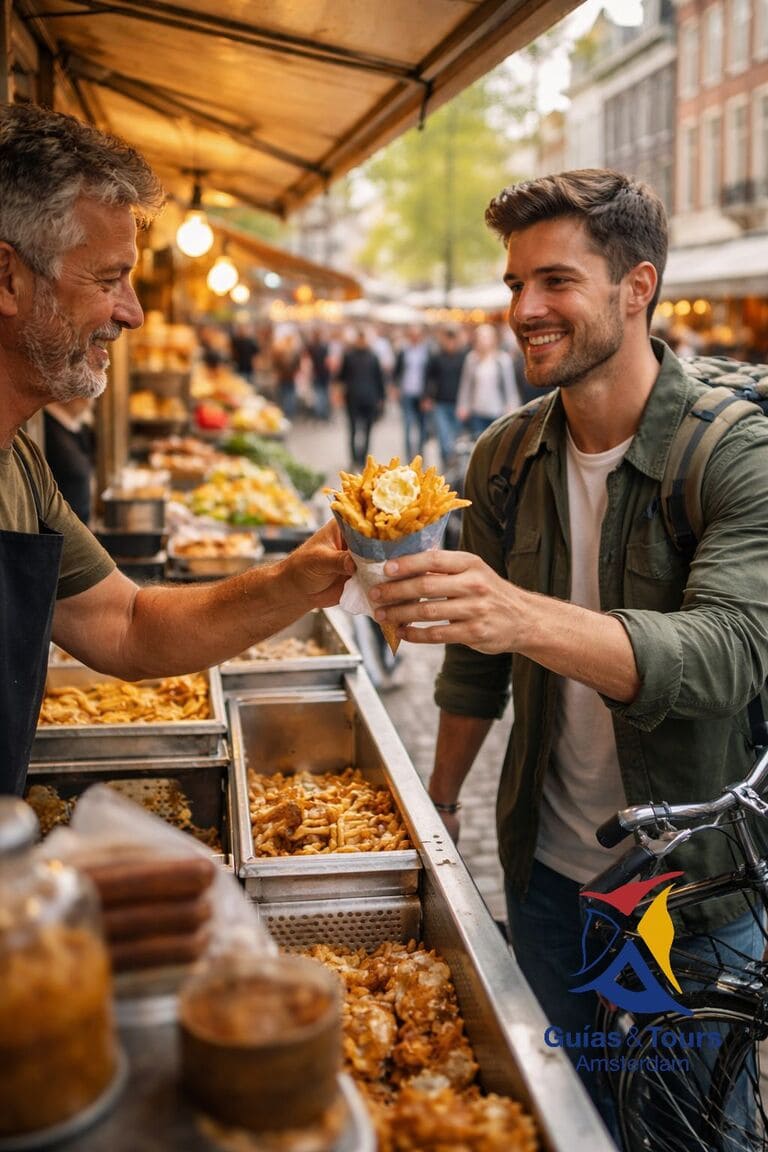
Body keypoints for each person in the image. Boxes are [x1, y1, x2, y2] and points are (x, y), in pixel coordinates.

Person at [368, 170, 768, 1137]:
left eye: (556, 282)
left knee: (684, 1131)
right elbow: (475, 665)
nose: (525, 310)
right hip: (548, 876)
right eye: (514, 286)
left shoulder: (733, 450)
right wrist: (441, 795)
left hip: (687, 893)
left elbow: (727, 653)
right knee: (565, 1115)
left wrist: (518, 614)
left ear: (637, 289)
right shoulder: (504, 457)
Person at [0, 103, 353, 799]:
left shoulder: (20, 468)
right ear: (7, 279)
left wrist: (295, 582)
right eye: (108, 280)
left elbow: (128, 627)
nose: (131, 312)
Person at [455, 322, 520, 437]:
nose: (482, 340)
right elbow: (466, 385)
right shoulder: (471, 359)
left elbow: (510, 387)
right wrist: (463, 405)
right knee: (478, 443)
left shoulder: (503, 360)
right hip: (477, 410)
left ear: (493, 339)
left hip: (498, 411)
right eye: (480, 336)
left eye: (485, 336)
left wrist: (512, 407)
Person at [335, 327, 385, 467]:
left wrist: (381, 398)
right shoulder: (349, 356)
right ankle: (354, 457)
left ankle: (363, 458)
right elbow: (341, 377)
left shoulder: (373, 357)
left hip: (369, 398)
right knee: (353, 430)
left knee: (367, 431)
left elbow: (379, 379)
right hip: (353, 398)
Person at [43, 397, 95, 524]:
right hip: (61, 534)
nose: (92, 400)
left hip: (80, 526)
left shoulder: (77, 427)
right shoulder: (46, 427)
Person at [424, 326, 468, 467]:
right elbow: (429, 378)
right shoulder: (437, 357)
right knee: (443, 437)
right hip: (440, 403)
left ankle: (453, 466)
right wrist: (427, 397)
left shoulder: (463, 357)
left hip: (457, 403)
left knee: (455, 437)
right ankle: (446, 463)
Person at [393, 325, 430, 459]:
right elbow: (397, 370)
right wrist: (396, 387)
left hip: (421, 394)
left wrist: (428, 395)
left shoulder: (427, 352)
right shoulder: (404, 351)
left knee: (422, 426)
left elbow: (430, 375)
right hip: (407, 392)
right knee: (408, 425)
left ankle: (419, 455)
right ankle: (409, 455)